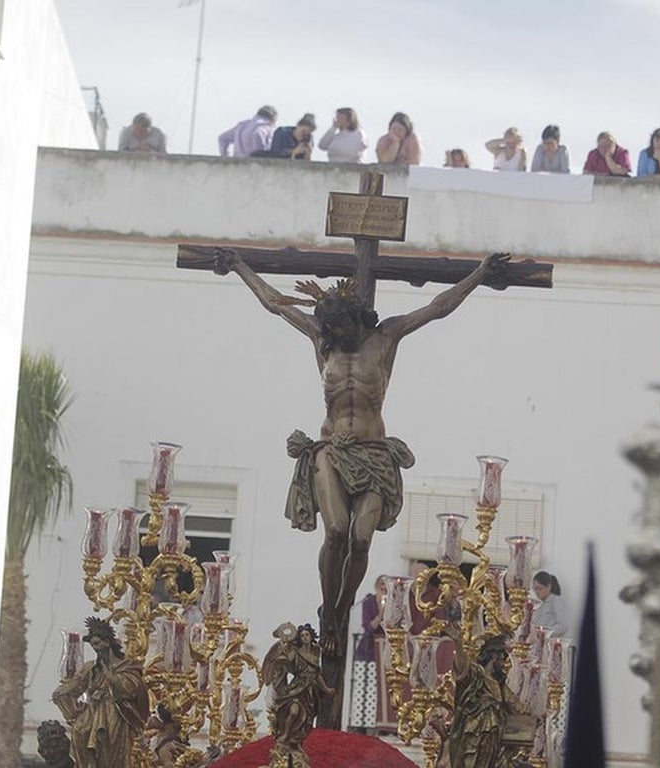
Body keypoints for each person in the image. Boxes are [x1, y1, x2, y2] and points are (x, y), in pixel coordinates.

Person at [215, 249, 509, 653]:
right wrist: (238, 266)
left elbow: (438, 307)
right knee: (336, 532)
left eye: (342, 325)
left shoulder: (386, 337)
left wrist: (479, 273)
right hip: (330, 452)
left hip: (374, 454)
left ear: (358, 318)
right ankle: (329, 611)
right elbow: (274, 303)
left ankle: (344, 603)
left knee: (361, 540)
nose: (337, 332)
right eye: (330, 326)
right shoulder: (323, 343)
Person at [52, 617, 150, 768]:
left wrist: (110, 676)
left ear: (108, 642)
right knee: (79, 730)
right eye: (92, 645)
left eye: (97, 643)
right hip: (94, 710)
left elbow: (131, 690)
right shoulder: (91, 667)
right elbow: (77, 685)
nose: (95, 648)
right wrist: (62, 692)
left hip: (116, 712)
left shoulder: (126, 667)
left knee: (106, 743)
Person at [447, 632, 534, 768]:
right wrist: (458, 643)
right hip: (475, 733)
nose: (504, 664)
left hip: (494, 734)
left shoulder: (498, 683)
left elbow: (513, 702)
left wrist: (528, 711)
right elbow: (461, 669)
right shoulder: (476, 674)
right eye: (502, 660)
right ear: (494, 657)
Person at [263, 622, 334, 762]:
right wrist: (284, 647)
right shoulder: (295, 650)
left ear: (311, 636)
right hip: (297, 688)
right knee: (294, 711)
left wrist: (326, 689)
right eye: (302, 635)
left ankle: (296, 743)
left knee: (306, 720)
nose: (305, 637)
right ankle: (285, 735)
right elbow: (287, 661)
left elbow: (317, 674)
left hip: (310, 691)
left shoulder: (315, 652)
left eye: (307, 635)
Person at [351, 577, 387, 732]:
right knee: (363, 685)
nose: (383, 592)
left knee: (379, 688)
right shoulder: (368, 603)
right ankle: (360, 724)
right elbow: (369, 627)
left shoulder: (392, 604)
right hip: (367, 650)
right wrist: (380, 614)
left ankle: (377, 724)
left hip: (382, 651)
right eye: (381, 588)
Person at [531, 571, 569, 638]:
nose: (536, 592)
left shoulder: (556, 601)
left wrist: (545, 633)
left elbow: (563, 626)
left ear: (548, 586)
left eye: (539, 588)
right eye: (535, 589)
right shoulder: (541, 606)